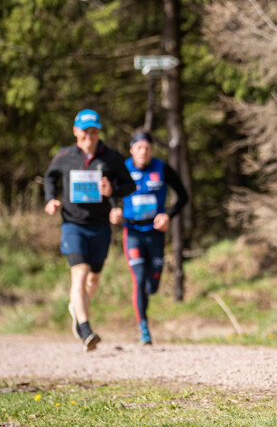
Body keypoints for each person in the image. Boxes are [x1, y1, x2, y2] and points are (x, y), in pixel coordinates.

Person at [44, 109, 136, 352]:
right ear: (76, 131)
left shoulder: (111, 158)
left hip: (100, 227)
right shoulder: (64, 156)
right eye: (85, 131)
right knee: (80, 274)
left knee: (93, 281)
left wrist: (113, 191)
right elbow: (49, 178)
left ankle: (76, 307)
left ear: (99, 132)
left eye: (94, 131)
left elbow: (130, 185)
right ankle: (85, 329)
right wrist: (50, 199)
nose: (90, 136)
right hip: (73, 225)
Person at [109, 131, 188, 345]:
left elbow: (183, 195)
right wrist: (114, 209)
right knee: (139, 278)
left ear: (152, 150)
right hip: (132, 232)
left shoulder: (162, 168)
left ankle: (148, 295)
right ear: (131, 150)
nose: (143, 152)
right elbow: (109, 192)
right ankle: (144, 329)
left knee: (152, 285)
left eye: (147, 148)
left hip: (155, 233)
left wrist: (168, 215)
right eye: (139, 148)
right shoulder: (122, 168)